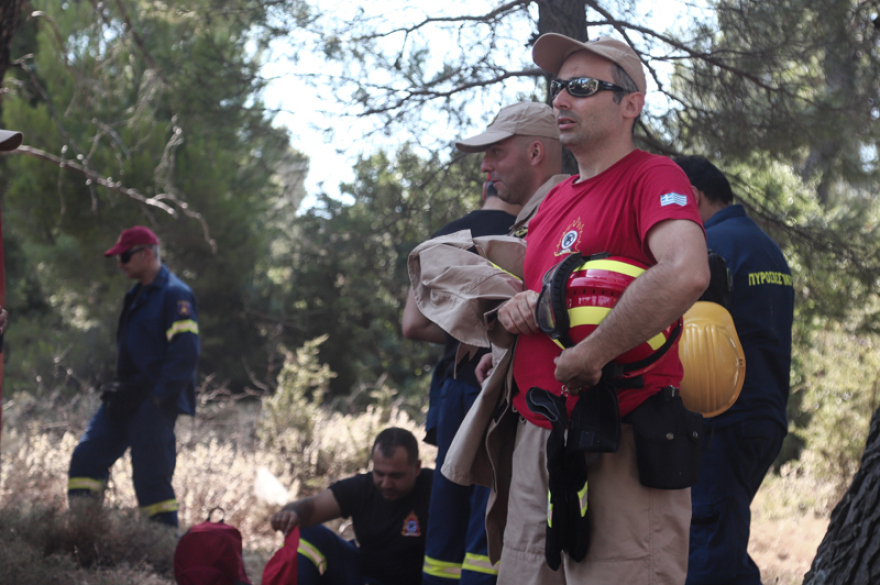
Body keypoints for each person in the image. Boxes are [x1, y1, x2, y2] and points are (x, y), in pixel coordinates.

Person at [483, 35, 709, 584]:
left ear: (631, 104)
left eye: (582, 88)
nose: (561, 100)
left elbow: (686, 271)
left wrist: (595, 352)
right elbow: (550, 305)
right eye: (558, 88)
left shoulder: (653, 177)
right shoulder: (554, 198)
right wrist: (510, 357)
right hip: (539, 437)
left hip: (622, 437)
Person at [674, 155, 794, 585]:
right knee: (723, 537)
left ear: (691, 196)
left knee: (708, 546)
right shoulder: (763, 246)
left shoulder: (709, 248)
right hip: (762, 417)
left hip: (722, 421)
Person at [403, 181, 520, 585]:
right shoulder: (532, 231)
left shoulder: (450, 236)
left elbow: (412, 324)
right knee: (489, 516)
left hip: (455, 388)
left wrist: (461, 333)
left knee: (448, 510)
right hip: (502, 386)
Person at [68, 225, 199, 527]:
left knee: (151, 479)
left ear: (146, 254)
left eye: (125, 257)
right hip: (125, 397)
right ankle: (82, 532)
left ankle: (162, 550)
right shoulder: (135, 295)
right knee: (86, 458)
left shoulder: (176, 294)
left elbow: (185, 353)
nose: (120, 264)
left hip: (153, 401)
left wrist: (158, 399)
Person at [270, 427, 433, 585]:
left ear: (417, 468)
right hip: (364, 575)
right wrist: (291, 513)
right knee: (308, 533)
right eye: (379, 473)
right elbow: (312, 507)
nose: (386, 483)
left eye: (396, 476)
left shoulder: (436, 490)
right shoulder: (361, 488)